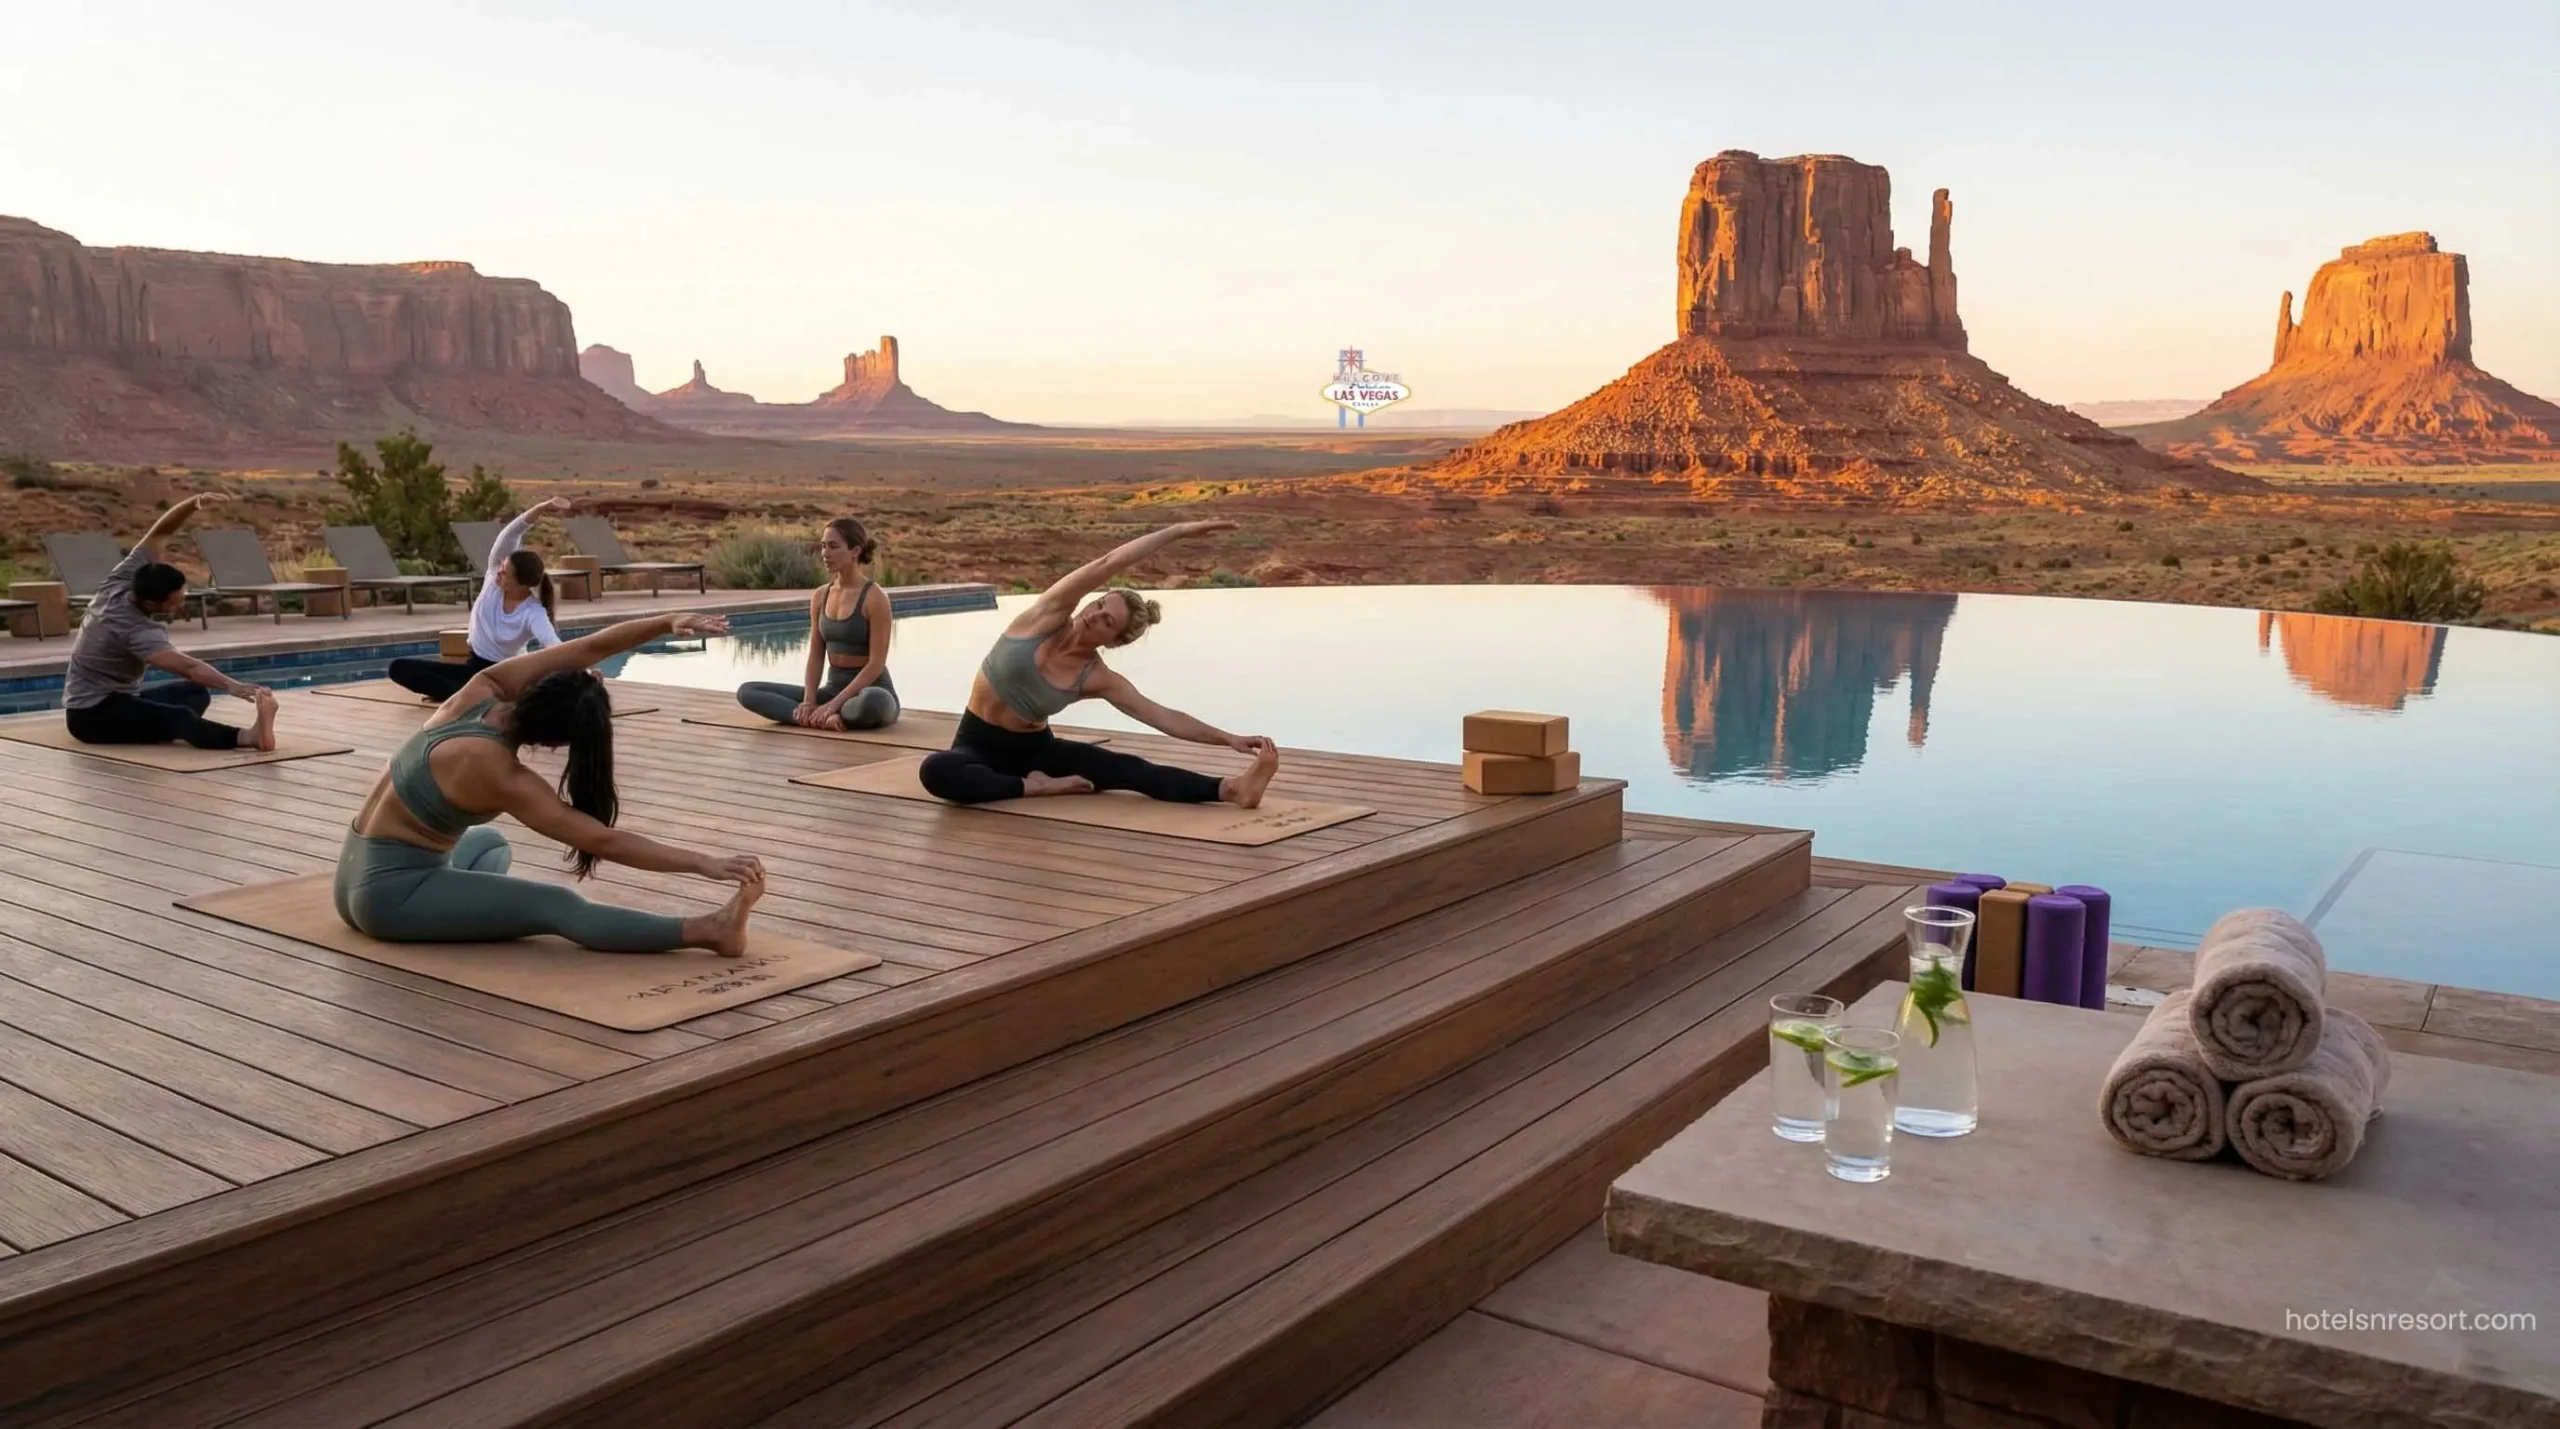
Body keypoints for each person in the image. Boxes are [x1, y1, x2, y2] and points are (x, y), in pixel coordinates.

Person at [336, 611, 767, 955]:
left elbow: (592, 647)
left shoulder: (476, 693)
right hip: (387, 903)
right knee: (556, 906)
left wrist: (664, 621)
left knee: (489, 844)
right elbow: (605, 842)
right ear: (558, 743)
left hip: (352, 874)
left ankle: (461, 904)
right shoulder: (500, 774)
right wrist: (705, 863)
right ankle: (710, 931)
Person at [919, 519, 1278, 808]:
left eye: (1108, 621)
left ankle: (1232, 789)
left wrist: (1227, 738)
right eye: (1100, 605)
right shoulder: (1044, 617)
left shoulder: (1096, 677)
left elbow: (1163, 717)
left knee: (1129, 769)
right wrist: (1176, 531)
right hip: (976, 741)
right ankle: (1035, 789)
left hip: (1035, 750)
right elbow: (1109, 563)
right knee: (937, 770)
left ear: (1114, 640)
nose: (1095, 616)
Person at [60, 492, 279, 751]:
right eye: (175, 603)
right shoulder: (134, 629)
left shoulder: (121, 580)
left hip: (120, 699)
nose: (182, 605)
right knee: (179, 717)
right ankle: (250, 737)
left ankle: (154, 727)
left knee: (195, 692)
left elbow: (160, 532)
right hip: (90, 716)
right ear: (152, 604)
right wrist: (233, 685)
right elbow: (188, 667)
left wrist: (192, 503)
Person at [387, 498, 569, 702]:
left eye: (505, 573)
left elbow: (553, 645)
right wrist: (539, 508)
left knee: (470, 687)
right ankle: (478, 694)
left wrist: (584, 674)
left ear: (522, 584)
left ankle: (485, 694)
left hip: (506, 674)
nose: (498, 573)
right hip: (474, 668)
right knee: (399, 668)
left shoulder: (533, 612)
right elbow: (510, 534)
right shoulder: (493, 577)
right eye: (500, 568)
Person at [734, 517, 901, 731]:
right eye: (823, 546)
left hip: (869, 692)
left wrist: (834, 704)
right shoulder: (821, 595)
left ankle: (829, 715)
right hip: (831, 691)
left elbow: (876, 665)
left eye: (833, 546)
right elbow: (815, 655)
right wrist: (809, 700)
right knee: (748, 691)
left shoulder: (875, 598)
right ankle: (820, 718)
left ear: (855, 551)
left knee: (873, 701)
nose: (825, 553)